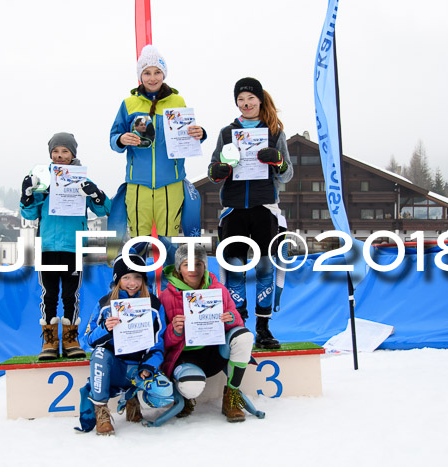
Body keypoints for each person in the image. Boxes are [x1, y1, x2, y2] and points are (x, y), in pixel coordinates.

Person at [207, 77, 294, 349]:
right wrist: (218, 171)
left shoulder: (274, 132)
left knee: (265, 267)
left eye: (251, 99)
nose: (246, 104)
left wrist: (277, 161)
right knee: (234, 268)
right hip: (233, 210)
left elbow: (288, 174)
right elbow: (213, 170)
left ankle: (264, 328)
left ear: (260, 100)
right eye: (241, 100)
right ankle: (238, 326)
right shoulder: (226, 133)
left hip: (265, 208)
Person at [109, 44, 206, 263]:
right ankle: (137, 292)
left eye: (157, 72)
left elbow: (187, 134)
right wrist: (121, 139)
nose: (152, 78)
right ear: (140, 76)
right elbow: (113, 138)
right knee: (138, 241)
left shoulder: (177, 102)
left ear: (164, 74)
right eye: (147, 73)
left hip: (170, 183)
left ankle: (171, 292)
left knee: (168, 241)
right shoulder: (129, 104)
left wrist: (200, 133)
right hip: (138, 184)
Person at [20, 132, 111, 360]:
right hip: (47, 247)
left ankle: (71, 339)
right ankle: (49, 341)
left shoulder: (82, 180)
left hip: (74, 247)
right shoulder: (42, 179)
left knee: (71, 295)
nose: (60, 156)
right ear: (50, 154)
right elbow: (29, 213)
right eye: (55, 152)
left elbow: (104, 209)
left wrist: (96, 195)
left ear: (73, 154)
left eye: (65, 152)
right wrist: (27, 195)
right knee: (48, 294)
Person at [160, 243, 255, 423]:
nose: (193, 270)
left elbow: (238, 322)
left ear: (204, 266)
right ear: (179, 268)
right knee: (191, 386)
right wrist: (174, 330)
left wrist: (230, 319)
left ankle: (231, 396)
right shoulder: (165, 296)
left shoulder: (219, 289)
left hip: (216, 352)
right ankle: (185, 396)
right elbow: (160, 340)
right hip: (186, 356)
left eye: (198, 264)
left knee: (244, 336)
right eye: (187, 264)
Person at [84, 253, 168, 435]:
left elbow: (158, 344)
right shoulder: (105, 304)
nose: (132, 283)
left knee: (166, 395)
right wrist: (105, 329)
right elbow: (88, 341)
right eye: (126, 277)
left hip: (138, 368)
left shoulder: (153, 304)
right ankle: (101, 410)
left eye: (138, 277)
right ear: (117, 279)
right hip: (115, 366)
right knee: (99, 353)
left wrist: (148, 366)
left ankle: (131, 397)